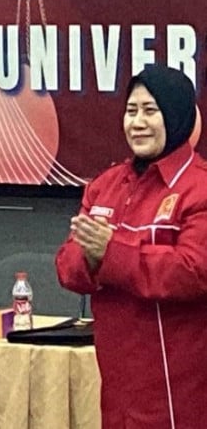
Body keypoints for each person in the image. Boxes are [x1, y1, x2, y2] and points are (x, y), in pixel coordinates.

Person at [55, 64, 207, 428]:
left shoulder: (198, 188)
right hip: (119, 390)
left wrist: (110, 254)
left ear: (176, 114)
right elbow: (67, 267)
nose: (137, 123)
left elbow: (192, 271)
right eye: (131, 111)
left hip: (180, 392)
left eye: (150, 111)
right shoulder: (105, 185)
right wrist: (92, 258)